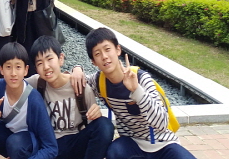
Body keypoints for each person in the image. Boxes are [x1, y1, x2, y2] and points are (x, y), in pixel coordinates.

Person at [83, 27, 196, 159]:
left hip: (162, 143)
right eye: (97, 54)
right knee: (114, 152)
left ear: (118, 50)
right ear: (93, 62)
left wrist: (137, 90)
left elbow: (161, 123)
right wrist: (77, 69)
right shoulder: (98, 82)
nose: (104, 56)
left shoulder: (142, 79)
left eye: (107, 49)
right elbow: (74, 82)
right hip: (131, 144)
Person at [0, 42, 57, 159]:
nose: (13, 73)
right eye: (8, 67)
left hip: (27, 146)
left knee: (15, 143)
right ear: (1, 70)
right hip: (8, 138)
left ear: (26, 70)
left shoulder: (34, 99)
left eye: (18, 67)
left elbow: (51, 147)